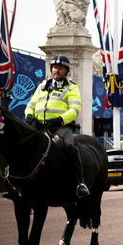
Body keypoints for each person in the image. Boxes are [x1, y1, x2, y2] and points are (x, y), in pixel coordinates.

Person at [24, 55, 89, 198]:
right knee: (22, 145)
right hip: (40, 126)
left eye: (60, 68)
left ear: (66, 71)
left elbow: (75, 109)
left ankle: (80, 183)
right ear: (51, 69)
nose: (57, 70)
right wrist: (29, 114)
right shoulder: (41, 87)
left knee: (70, 146)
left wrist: (60, 120)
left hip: (60, 127)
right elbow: (31, 105)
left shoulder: (72, 88)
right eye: (55, 67)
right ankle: (16, 184)